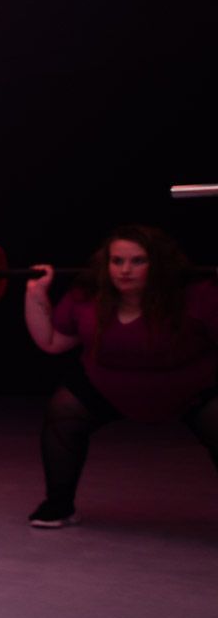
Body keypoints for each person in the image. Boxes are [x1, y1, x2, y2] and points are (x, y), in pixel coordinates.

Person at [22, 224, 218, 527]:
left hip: (189, 389)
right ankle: (58, 505)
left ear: (160, 264)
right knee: (63, 411)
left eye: (138, 261)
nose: (125, 270)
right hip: (108, 385)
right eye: (117, 261)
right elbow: (51, 342)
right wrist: (36, 293)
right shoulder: (87, 296)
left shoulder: (198, 296)